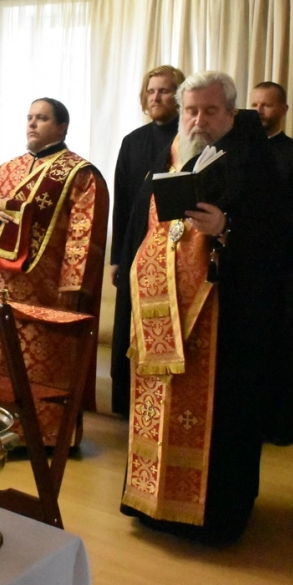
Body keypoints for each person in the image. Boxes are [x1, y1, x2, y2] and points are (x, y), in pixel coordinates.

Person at [119, 72, 287, 544]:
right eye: (191, 111)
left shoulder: (255, 162)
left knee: (220, 419)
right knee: (162, 408)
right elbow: (144, 226)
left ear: (231, 112)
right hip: (163, 310)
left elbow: (278, 237)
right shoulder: (176, 155)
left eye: (210, 111)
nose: (199, 120)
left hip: (225, 318)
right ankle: (155, 507)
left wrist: (227, 226)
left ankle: (215, 517)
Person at [0, 97, 108, 446]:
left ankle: (47, 434)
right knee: (4, 356)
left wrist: (73, 285)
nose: (32, 123)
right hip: (5, 284)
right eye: (30, 117)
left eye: (42, 118)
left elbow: (85, 232)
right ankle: (4, 426)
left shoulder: (80, 174)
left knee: (46, 361)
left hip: (50, 290)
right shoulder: (9, 168)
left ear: (61, 127)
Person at [110, 65, 185, 418]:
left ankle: (165, 403)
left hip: (173, 250)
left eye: (165, 90)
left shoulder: (188, 138)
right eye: (151, 91)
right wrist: (116, 258)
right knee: (129, 322)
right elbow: (122, 203)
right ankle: (127, 403)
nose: (156, 97)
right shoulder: (132, 141)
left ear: (179, 95)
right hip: (134, 246)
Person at [249, 81, 293, 445]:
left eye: (268, 105)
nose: (260, 111)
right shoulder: (238, 152)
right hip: (245, 270)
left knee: (282, 348)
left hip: (284, 270)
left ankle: (280, 427)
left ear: (283, 110)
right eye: (255, 104)